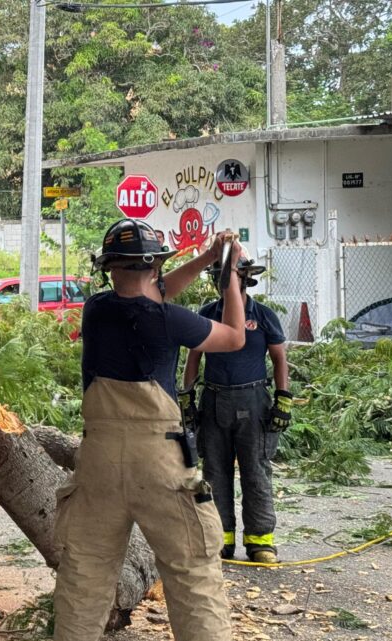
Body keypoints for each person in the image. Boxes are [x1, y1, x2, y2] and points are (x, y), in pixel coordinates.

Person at [53, 219, 248, 641]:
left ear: (109, 269)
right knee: (192, 573)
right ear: (156, 266)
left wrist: (209, 258)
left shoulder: (97, 310)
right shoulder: (171, 321)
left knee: (83, 578)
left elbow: (152, 291)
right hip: (160, 460)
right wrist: (230, 276)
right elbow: (233, 337)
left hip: (99, 461)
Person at [182, 258, 291, 564]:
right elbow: (194, 358)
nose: (222, 282)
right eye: (219, 276)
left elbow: (280, 359)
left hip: (254, 400)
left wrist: (283, 398)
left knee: (256, 471)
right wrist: (187, 397)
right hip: (215, 400)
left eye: (228, 276)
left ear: (244, 279)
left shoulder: (263, 316)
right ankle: (221, 540)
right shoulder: (207, 314)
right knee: (215, 472)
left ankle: (260, 543)